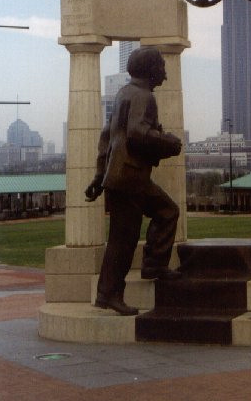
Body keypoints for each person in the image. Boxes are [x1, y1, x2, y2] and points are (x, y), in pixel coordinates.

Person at [85, 46, 182, 316]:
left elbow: (108, 137)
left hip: (119, 176)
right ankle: (111, 293)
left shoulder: (124, 93)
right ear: (151, 69)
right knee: (126, 237)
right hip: (130, 177)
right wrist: (169, 143)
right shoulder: (143, 97)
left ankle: (149, 268)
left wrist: (99, 175)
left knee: (162, 213)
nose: (164, 72)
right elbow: (137, 134)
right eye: (161, 66)